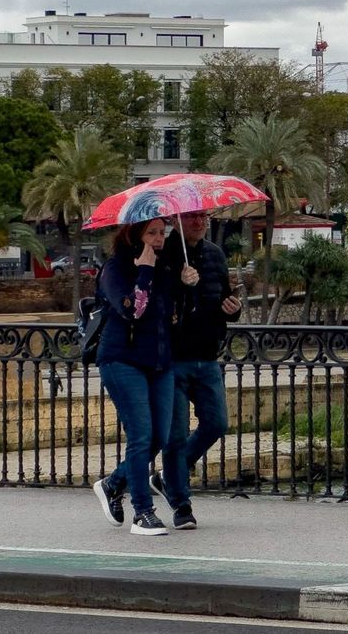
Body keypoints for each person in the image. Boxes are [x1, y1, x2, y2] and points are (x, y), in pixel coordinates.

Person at [91, 218, 191, 535]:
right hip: (121, 360)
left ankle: (113, 484)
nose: (159, 239)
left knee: (160, 436)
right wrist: (144, 271)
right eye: (152, 233)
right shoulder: (115, 268)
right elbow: (131, 310)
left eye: (163, 233)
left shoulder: (165, 266)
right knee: (141, 436)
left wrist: (187, 285)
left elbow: (173, 316)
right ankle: (142, 513)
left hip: (158, 362)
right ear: (134, 235)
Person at [154, 211, 242, 530]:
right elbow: (155, 304)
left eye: (203, 217)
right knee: (175, 436)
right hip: (174, 358)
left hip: (207, 356)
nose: (199, 223)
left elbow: (221, 299)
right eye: (192, 217)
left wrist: (233, 308)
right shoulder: (165, 254)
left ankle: (170, 475)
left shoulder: (215, 254)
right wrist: (179, 284)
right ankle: (181, 504)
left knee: (217, 423)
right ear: (178, 220)